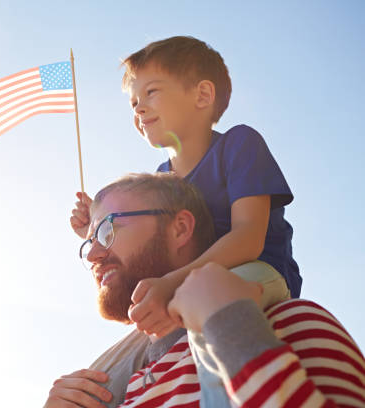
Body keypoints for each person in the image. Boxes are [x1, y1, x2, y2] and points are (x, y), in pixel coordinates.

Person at [70, 36, 300, 404]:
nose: (139, 109)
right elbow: (151, 248)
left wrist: (171, 283)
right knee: (103, 376)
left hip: (256, 272)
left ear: (202, 96)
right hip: (184, 286)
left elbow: (248, 238)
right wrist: (97, 230)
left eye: (151, 93)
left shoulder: (238, 145)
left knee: (209, 309)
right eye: (133, 102)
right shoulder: (163, 179)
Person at [48, 173, 365, 407]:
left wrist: (231, 327)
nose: (91, 254)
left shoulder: (288, 324)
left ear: (181, 228)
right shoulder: (115, 387)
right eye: (88, 242)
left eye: (107, 230)